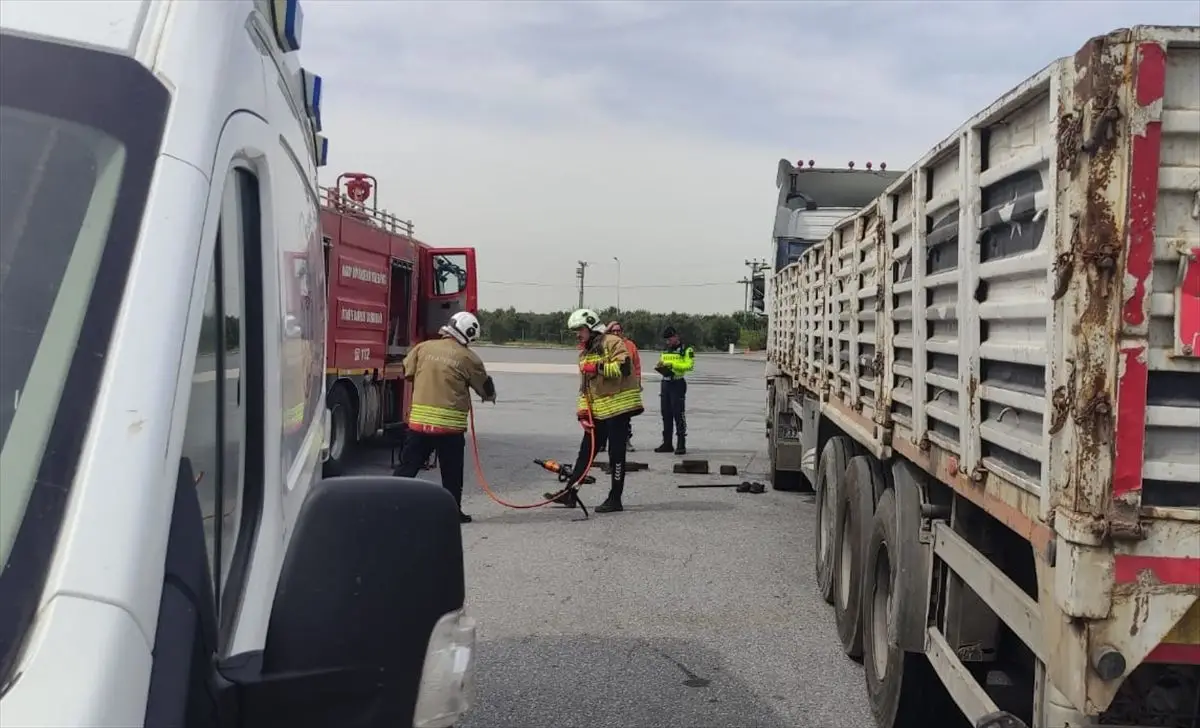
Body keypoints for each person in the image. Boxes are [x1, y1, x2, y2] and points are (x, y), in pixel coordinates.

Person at [392, 311, 496, 523]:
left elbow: (407, 370)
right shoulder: (469, 358)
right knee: (451, 474)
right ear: (469, 334)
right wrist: (490, 395)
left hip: (419, 424)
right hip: (449, 429)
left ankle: (388, 505)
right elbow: (485, 389)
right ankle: (452, 513)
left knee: (407, 467)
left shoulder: (423, 348)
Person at [549, 308, 643, 513]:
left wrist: (598, 367)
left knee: (616, 454)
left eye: (579, 330)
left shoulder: (612, 342)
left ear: (591, 327)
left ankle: (615, 499)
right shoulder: (584, 355)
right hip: (598, 412)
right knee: (586, 453)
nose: (577, 334)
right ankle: (570, 493)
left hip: (619, 409)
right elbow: (584, 389)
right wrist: (582, 414)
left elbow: (623, 368)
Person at [654, 325, 694, 455]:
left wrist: (673, 365)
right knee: (666, 414)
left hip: (678, 383)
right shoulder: (666, 350)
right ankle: (667, 443)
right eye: (666, 340)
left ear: (676, 337)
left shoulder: (687, 350)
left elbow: (689, 366)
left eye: (669, 339)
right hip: (665, 383)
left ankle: (681, 443)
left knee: (678, 413)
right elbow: (661, 361)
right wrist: (660, 366)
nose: (668, 342)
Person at [602, 321, 640, 453]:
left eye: (618, 330)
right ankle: (603, 443)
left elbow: (636, 365)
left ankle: (626, 441)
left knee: (625, 417)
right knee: (606, 415)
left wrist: (638, 383)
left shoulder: (630, 345)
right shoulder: (604, 343)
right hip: (610, 386)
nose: (616, 333)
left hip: (626, 387)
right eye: (614, 331)